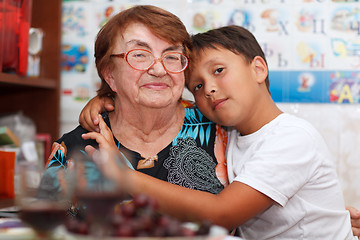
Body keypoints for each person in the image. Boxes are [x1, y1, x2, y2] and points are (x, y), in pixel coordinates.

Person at [82, 25, 358, 239]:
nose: (209, 88)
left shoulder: (292, 137)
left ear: (258, 69)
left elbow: (222, 213)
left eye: (219, 70)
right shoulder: (225, 129)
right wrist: (106, 101)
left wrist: (126, 178)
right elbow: (163, 102)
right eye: (198, 86)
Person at [38, 5, 229, 207]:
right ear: (109, 74)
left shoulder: (221, 129)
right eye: (139, 54)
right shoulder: (74, 149)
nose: (158, 69)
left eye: (171, 56)